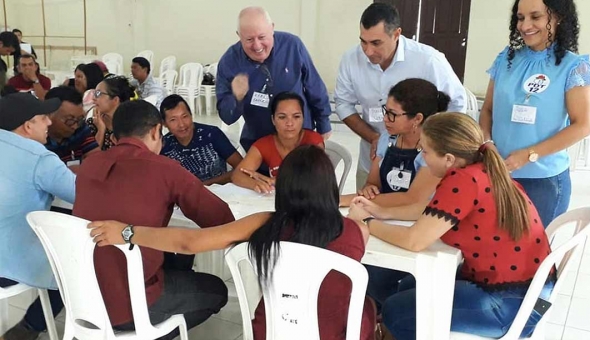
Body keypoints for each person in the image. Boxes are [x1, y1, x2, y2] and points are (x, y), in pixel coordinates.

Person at [88, 145, 376, 340]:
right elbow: (355, 235)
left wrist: (127, 232)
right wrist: (359, 217)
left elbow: (190, 241)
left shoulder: (265, 222)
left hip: (272, 330)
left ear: (285, 187)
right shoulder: (353, 230)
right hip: (336, 334)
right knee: (370, 304)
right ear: (330, 188)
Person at [349, 112, 555, 339]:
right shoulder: (483, 169)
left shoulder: (463, 180)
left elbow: (414, 240)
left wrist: (365, 223)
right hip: (533, 293)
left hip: (514, 305)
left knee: (395, 311)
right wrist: (382, 212)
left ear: (448, 158)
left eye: (425, 151)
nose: (422, 157)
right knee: (407, 285)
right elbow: (435, 212)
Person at [72, 100, 233, 339]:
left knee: (175, 259)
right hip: (127, 305)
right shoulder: (165, 168)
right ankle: (149, 333)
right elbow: (220, 219)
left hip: (82, 296)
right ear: (157, 130)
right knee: (216, 290)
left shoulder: (89, 164)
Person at [479, 0, 590, 228]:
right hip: (496, 172)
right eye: (521, 18)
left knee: (527, 257)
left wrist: (529, 154)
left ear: (558, 17)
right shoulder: (506, 59)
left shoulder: (574, 67)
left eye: (535, 17)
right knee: (489, 253)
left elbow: (582, 125)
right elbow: (488, 109)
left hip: (541, 182)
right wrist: (487, 142)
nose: (525, 26)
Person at [335, 3, 466, 191]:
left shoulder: (428, 60)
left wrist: (429, 141)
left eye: (376, 43)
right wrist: (374, 138)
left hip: (424, 165)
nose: (368, 51)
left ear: (396, 34)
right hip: (372, 160)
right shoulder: (351, 59)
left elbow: (456, 106)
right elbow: (342, 104)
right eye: (363, 41)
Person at [0, 93, 74, 340]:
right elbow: (83, 196)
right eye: (44, 118)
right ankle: (31, 327)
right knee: (74, 263)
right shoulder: (39, 158)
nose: (50, 123)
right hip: (6, 266)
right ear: (27, 125)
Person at [217, 6, 332, 154]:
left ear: (272, 28)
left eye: (262, 37)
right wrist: (236, 98)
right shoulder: (229, 62)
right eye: (249, 39)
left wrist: (323, 123)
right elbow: (227, 117)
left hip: (300, 140)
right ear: (239, 35)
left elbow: (314, 86)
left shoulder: (292, 46)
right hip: (260, 145)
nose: (257, 45)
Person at [340, 78, 449, 207]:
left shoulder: (436, 150)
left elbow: (412, 199)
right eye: (385, 111)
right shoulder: (387, 138)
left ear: (417, 118)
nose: (385, 119)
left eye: (392, 114)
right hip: (383, 213)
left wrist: (345, 200)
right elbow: (373, 183)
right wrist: (369, 188)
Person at [231, 91, 324, 193]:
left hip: (310, 202)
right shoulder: (264, 144)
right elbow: (237, 175)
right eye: (282, 117)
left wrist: (273, 180)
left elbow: (316, 179)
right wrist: (255, 183)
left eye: (296, 116)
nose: (289, 123)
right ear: (273, 120)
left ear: (303, 118)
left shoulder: (313, 141)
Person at [160, 94, 243, 184]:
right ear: (164, 124)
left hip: (218, 192)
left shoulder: (211, 134)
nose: (181, 125)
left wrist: (203, 186)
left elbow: (242, 167)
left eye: (185, 116)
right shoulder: (164, 146)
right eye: (173, 120)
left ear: (191, 115)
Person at [44, 86, 99, 167]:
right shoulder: (36, 140)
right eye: (70, 120)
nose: (75, 126)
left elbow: (96, 160)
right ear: (49, 115)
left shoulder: (81, 129)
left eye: (79, 119)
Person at [87, 75, 135, 150]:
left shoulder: (133, 125)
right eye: (94, 93)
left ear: (115, 100)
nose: (93, 98)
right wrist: (101, 130)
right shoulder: (93, 123)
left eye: (98, 94)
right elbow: (91, 158)